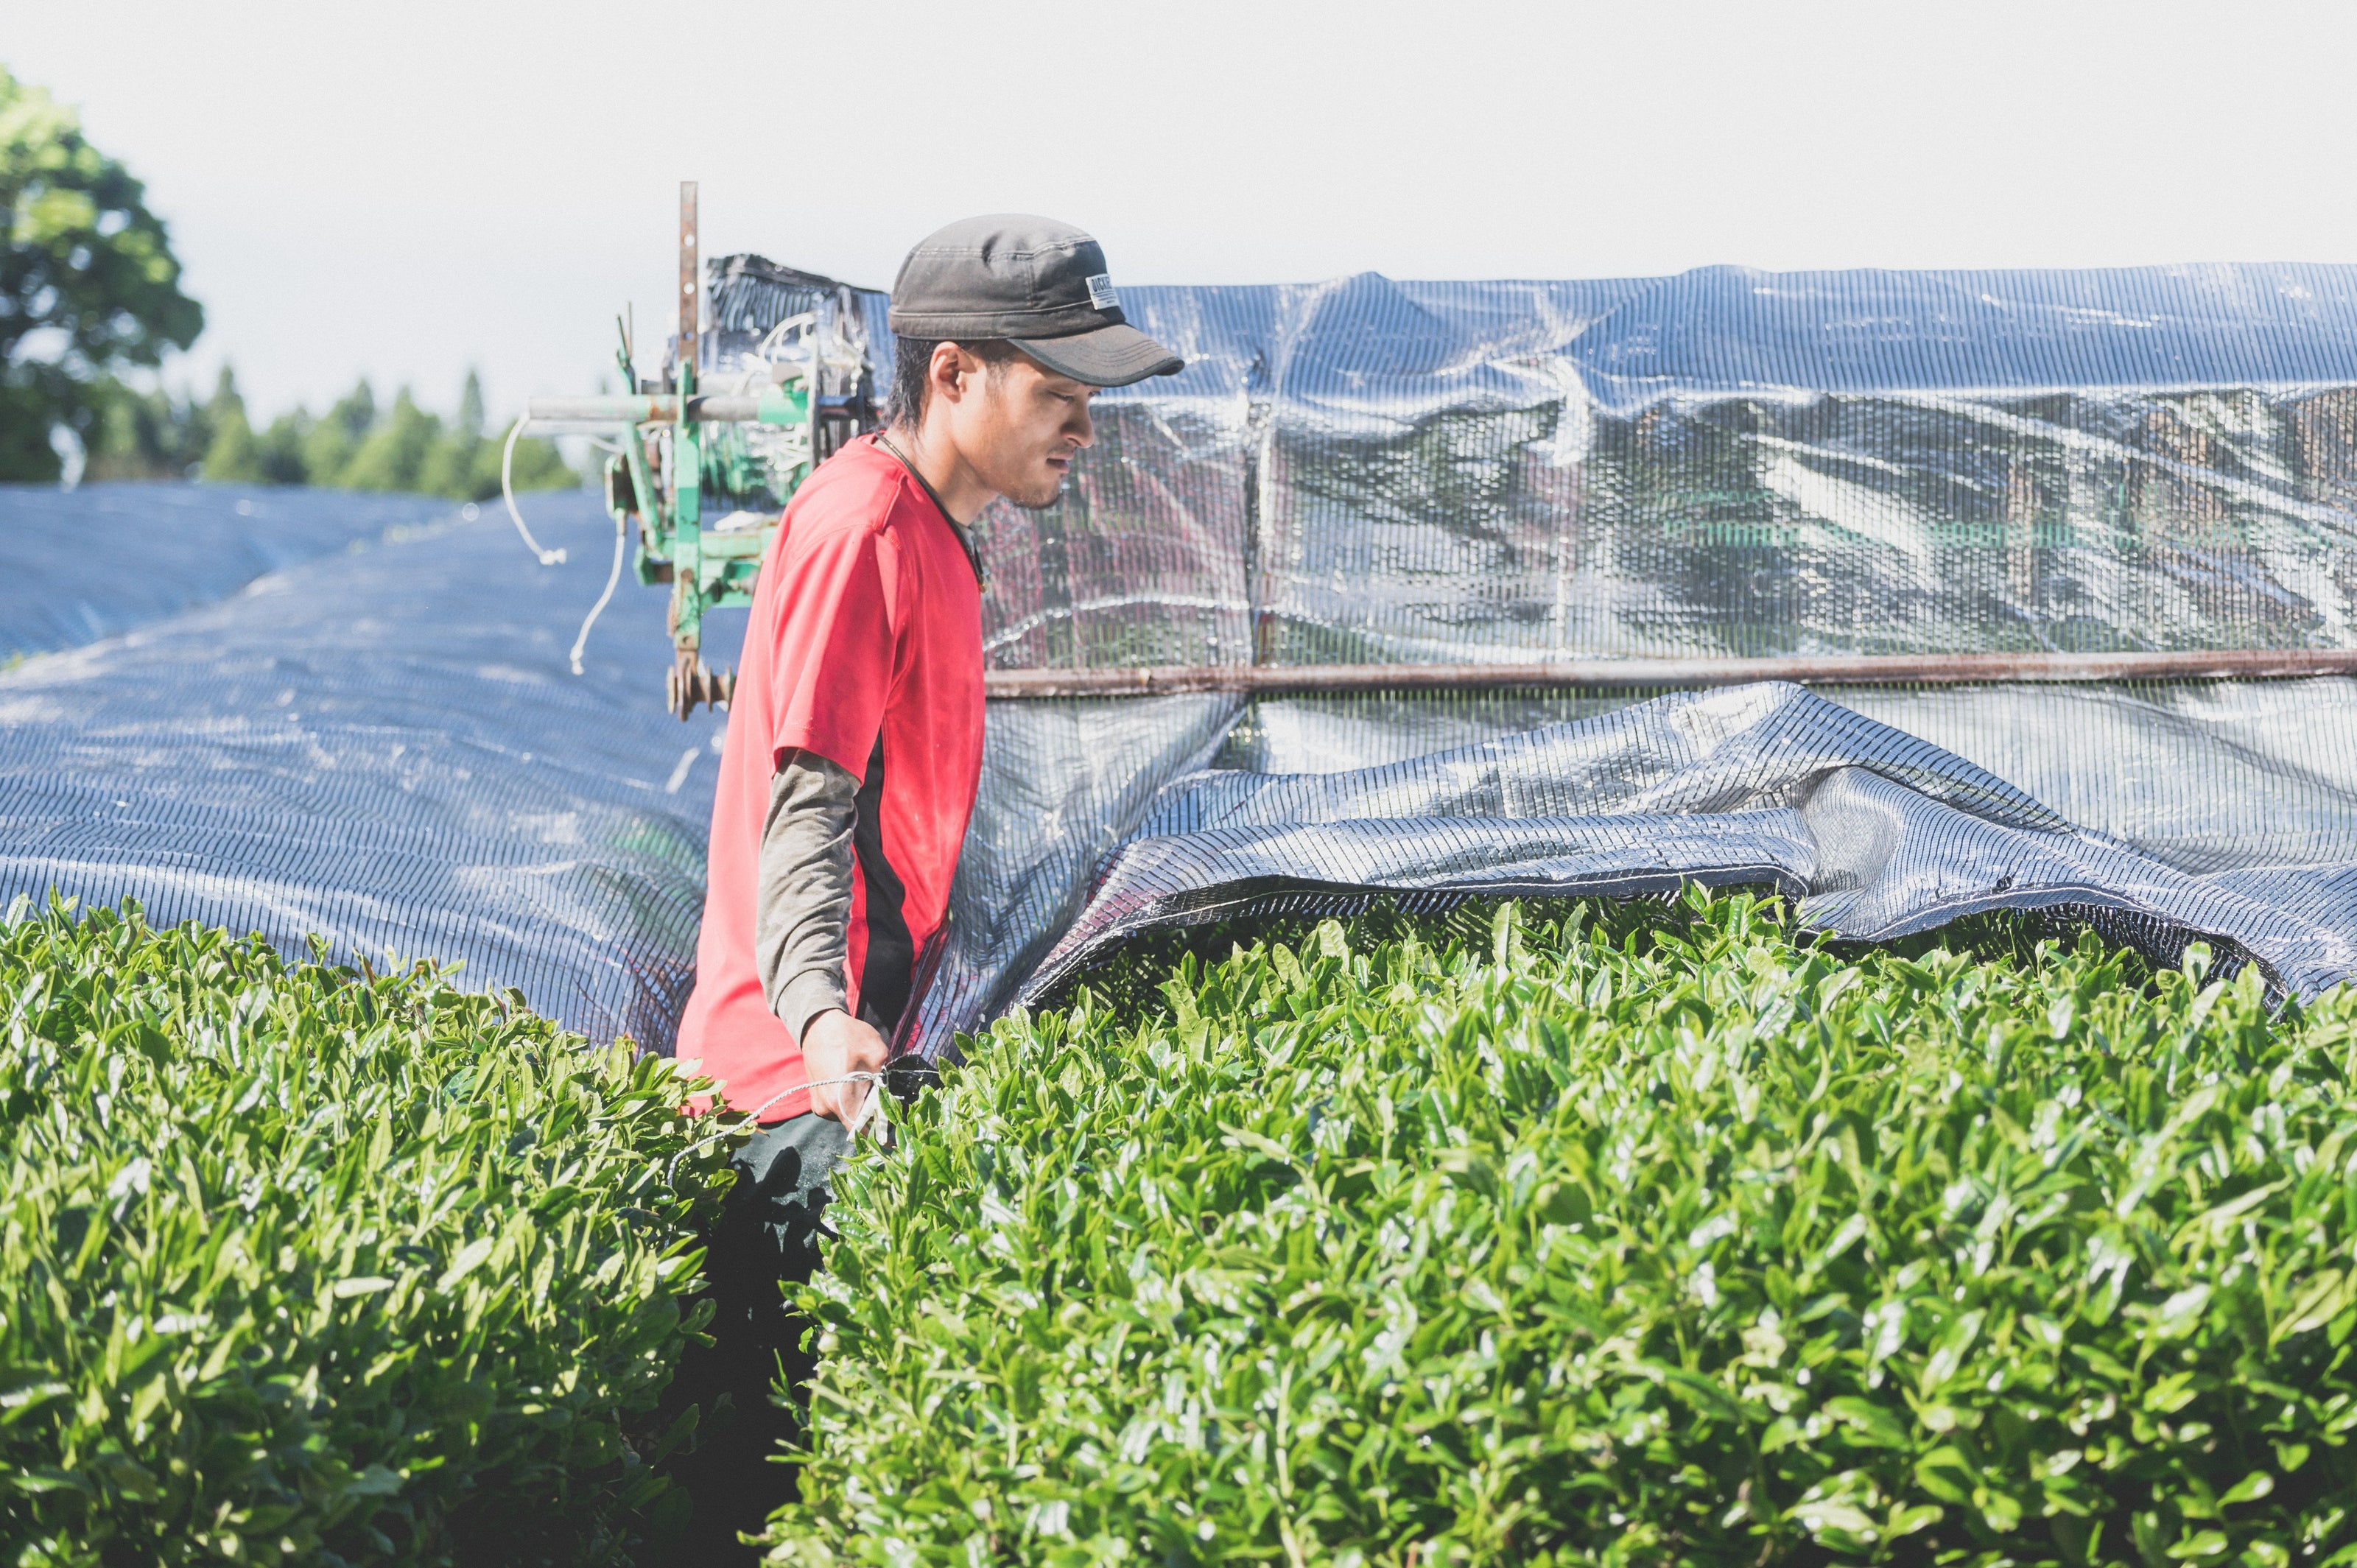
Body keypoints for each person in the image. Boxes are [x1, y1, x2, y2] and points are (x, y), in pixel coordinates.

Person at [662, 214, 1183, 1556]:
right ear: (953, 375)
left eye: (1089, 398)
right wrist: (824, 1018)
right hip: (792, 1105)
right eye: (1055, 392)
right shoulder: (861, 527)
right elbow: (805, 810)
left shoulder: (937, 533)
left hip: (844, 1080)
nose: (1082, 425)